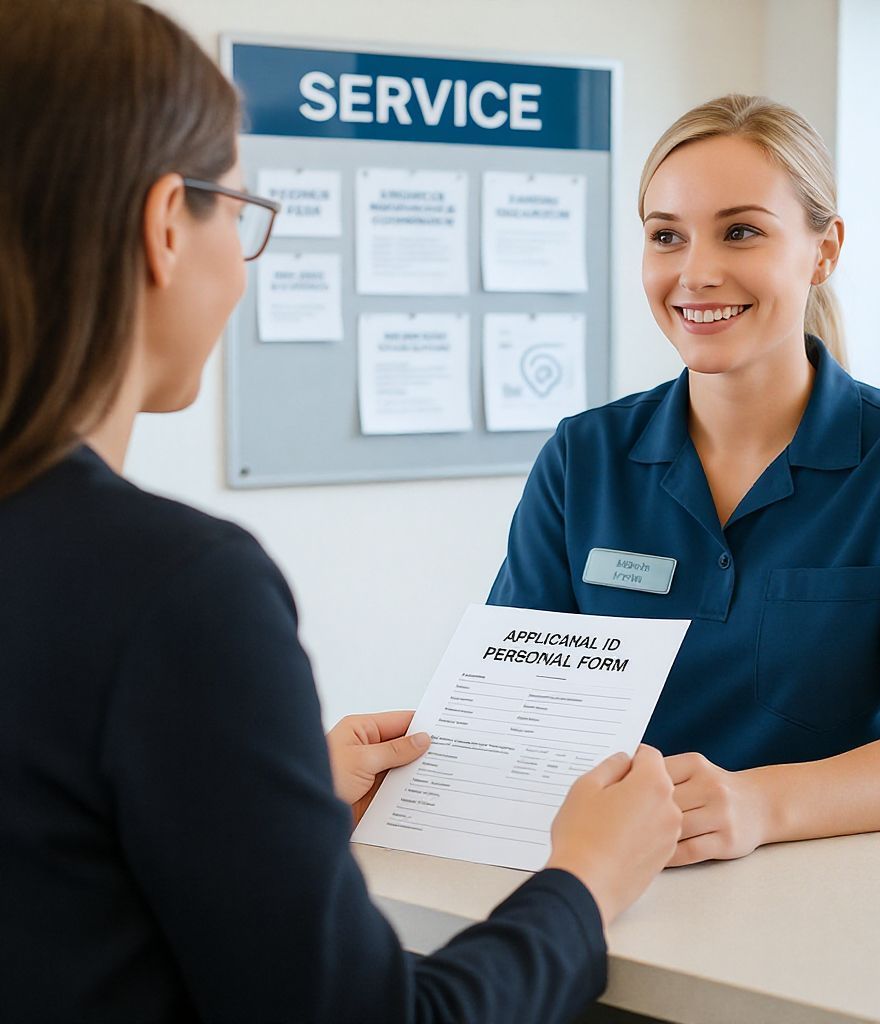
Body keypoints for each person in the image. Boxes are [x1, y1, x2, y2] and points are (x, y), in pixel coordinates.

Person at [0, 3, 684, 1022]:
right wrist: (585, 880)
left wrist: (262, 800)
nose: (243, 265)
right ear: (164, 227)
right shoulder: (178, 591)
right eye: (237, 213)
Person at [489, 94, 880, 867]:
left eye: (740, 232)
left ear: (824, 251)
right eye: (666, 236)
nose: (696, 272)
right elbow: (508, 711)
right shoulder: (582, 457)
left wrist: (757, 805)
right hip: (619, 878)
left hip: (834, 887)